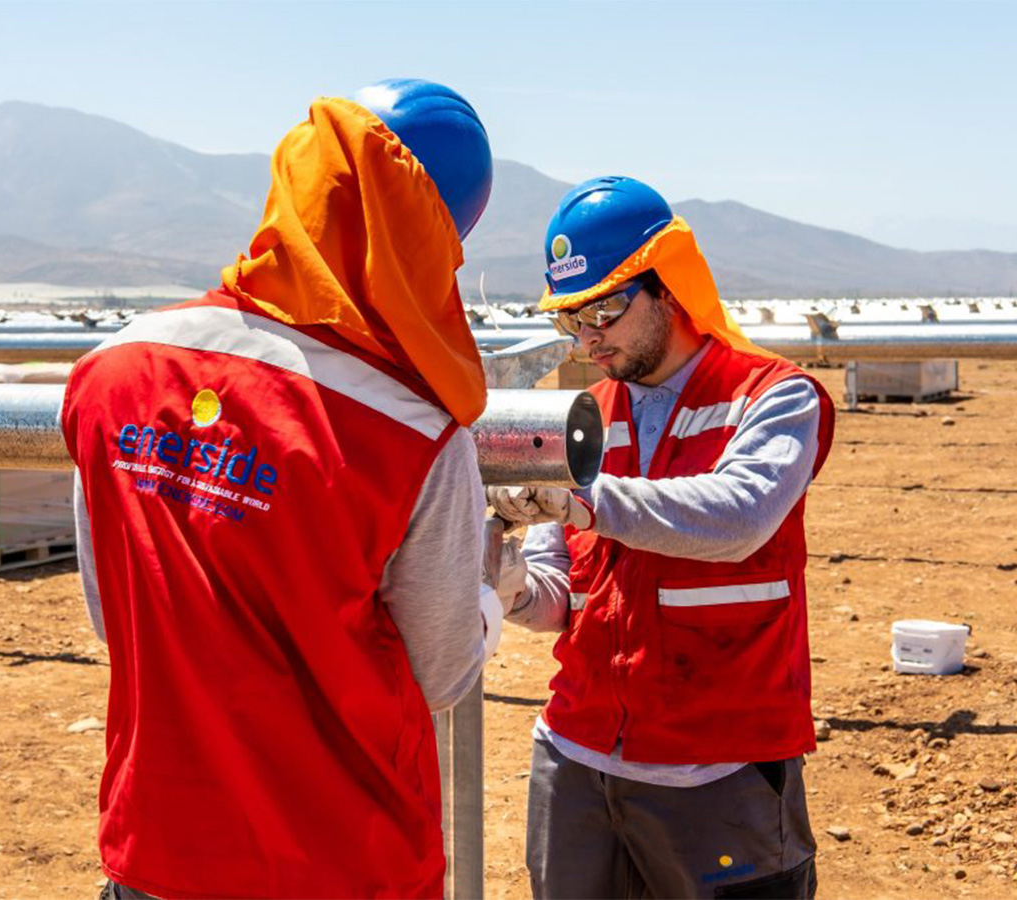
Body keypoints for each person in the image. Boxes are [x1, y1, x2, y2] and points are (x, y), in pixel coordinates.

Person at [61, 79, 500, 899]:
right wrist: (494, 596)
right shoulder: (413, 434)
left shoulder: (113, 372)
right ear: (432, 239)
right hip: (341, 862)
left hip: (161, 849)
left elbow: (111, 606)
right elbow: (439, 673)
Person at [488, 176, 836, 900]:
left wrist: (581, 499)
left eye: (606, 310)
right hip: (578, 760)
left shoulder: (773, 397)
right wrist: (507, 581)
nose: (589, 337)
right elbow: (563, 596)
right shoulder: (583, 415)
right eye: (571, 321)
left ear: (668, 287)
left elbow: (739, 517)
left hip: (718, 771)